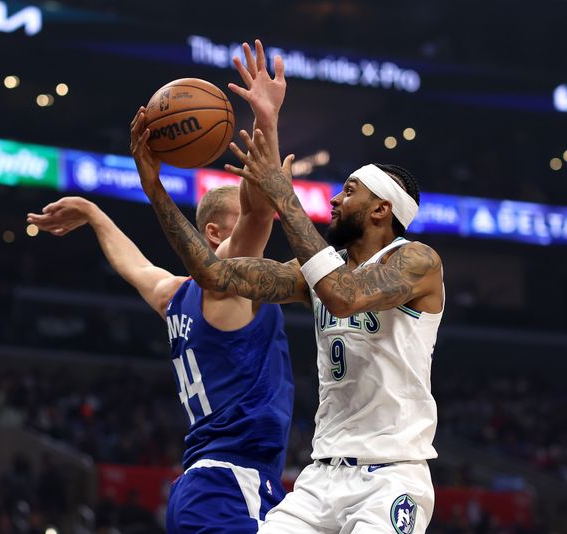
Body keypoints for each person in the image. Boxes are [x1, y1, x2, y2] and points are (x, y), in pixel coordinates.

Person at [28, 41, 295, 533]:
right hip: (230, 485)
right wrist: (266, 118)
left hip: (203, 485)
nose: (266, 230)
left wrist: (92, 212)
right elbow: (260, 206)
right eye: (239, 229)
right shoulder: (230, 280)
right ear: (215, 233)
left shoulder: (174, 294)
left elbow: (134, 265)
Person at [137, 120, 444, 531]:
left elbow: (345, 297)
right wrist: (155, 189)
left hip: (390, 475)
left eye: (349, 191)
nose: (334, 199)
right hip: (322, 477)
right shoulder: (313, 273)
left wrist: (285, 195)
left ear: (381, 209)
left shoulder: (418, 262)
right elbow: (214, 275)